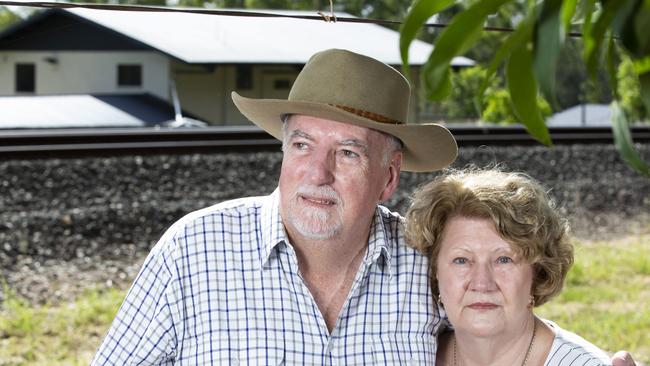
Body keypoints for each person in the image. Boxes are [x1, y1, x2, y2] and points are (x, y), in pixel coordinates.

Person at [91, 49, 636, 365]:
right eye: (302, 145)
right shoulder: (194, 251)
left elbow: (507, 320)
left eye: (347, 152)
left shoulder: (423, 263)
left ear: (388, 177)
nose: (317, 173)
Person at [405, 168, 621, 366]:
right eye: (461, 260)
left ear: (537, 272)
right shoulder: (414, 356)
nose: (482, 283)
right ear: (435, 274)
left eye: (503, 260)